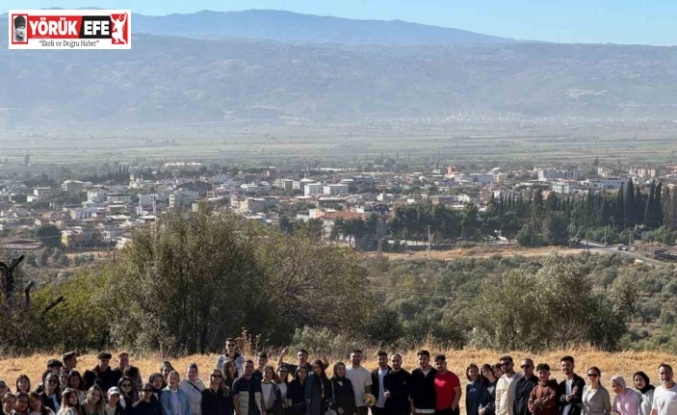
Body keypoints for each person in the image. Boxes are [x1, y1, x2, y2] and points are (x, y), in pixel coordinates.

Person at [344, 350, 371, 415]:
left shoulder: (366, 372)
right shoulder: (344, 371)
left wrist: (369, 402)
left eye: (358, 356)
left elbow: (368, 389)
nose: (356, 358)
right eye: (354, 356)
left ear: (361, 357)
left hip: (362, 404)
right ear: (350, 358)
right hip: (348, 404)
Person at [411, 350, 437, 415]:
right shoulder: (415, 373)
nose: (422, 361)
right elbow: (412, 392)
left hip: (432, 409)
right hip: (417, 409)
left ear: (429, 359)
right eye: (420, 359)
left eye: (424, 359)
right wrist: (411, 405)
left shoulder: (435, 373)